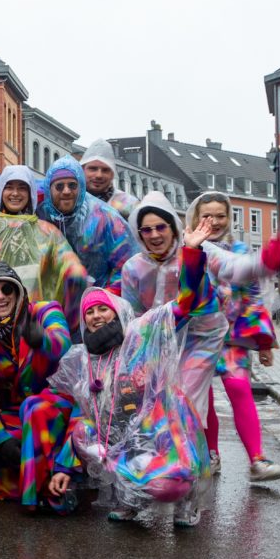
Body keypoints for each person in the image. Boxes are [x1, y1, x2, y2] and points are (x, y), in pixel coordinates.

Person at [53, 220, 224, 526]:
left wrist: (192, 251)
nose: (95, 316)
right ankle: (130, 497)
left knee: (168, 486)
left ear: (117, 310)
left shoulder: (140, 332)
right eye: (89, 312)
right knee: (84, 432)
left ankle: (185, 497)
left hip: (163, 430)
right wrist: (63, 467)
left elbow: (185, 304)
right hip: (124, 439)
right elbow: (87, 417)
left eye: (102, 308)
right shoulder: (85, 359)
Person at [183, 193, 280, 481]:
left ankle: (257, 459)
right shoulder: (188, 249)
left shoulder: (240, 251)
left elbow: (253, 298)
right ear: (195, 217)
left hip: (232, 339)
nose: (214, 222)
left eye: (221, 216)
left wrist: (264, 343)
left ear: (229, 218)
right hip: (197, 338)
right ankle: (210, 454)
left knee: (240, 388)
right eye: (207, 216)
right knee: (201, 397)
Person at [0, 261, 76, 513]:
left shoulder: (45, 310)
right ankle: (42, 481)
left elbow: (63, 344)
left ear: (18, 291)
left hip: (56, 408)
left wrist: (42, 340)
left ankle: (35, 493)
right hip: (17, 416)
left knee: (34, 407)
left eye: (7, 289)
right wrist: (0, 439)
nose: (0, 296)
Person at [120, 192, 230, 424]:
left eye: (161, 227)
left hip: (198, 339)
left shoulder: (194, 253)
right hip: (156, 342)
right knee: (153, 407)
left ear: (172, 228)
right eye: (147, 230)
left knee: (186, 403)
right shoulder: (133, 267)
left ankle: (191, 446)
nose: (154, 235)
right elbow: (132, 318)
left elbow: (196, 300)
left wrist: (192, 252)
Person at [0, 165, 87, 331]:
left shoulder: (48, 232)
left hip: (34, 326)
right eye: (9, 187)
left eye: (22, 188)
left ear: (30, 192)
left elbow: (75, 272)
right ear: (1, 191)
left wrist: (63, 320)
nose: (15, 193)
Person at [37, 156, 140, 294]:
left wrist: (104, 297)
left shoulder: (104, 217)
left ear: (81, 187)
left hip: (98, 303)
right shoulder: (39, 215)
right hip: (49, 303)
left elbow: (127, 266)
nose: (66, 191)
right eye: (59, 186)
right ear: (49, 189)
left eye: (72, 185)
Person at [80, 139, 137, 218]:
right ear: (82, 170)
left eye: (105, 170)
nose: (99, 175)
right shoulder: (69, 200)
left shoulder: (129, 205)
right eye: (93, 169)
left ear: (112, 174)